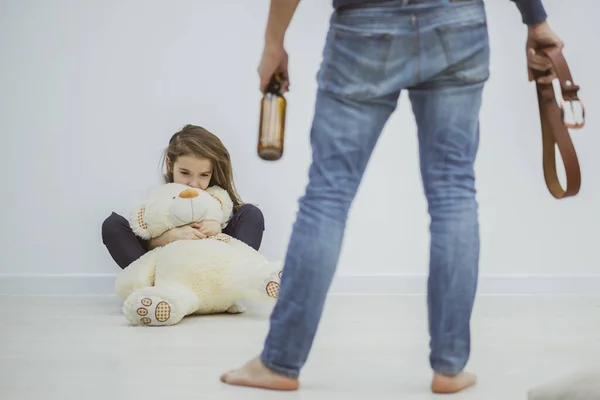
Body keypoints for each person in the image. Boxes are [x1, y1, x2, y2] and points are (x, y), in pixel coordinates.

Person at [221, 0, 564, 394]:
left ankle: (279, 362)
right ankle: (450, 367)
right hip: (456, 21)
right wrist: (536, 20)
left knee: (327, 196)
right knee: (453, 192)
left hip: (365, 24)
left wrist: (273, 42)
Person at [102, 124, 265, 270]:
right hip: (167, 269)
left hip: (213, 268)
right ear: (169, 164)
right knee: (112, 225)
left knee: (251, 213)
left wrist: (216, 229)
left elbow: (231, 231)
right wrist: (167, 237)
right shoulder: (157, 194)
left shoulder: (217, 198)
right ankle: (153, 289)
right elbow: (144, 235)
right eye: (185, 173)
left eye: (204, 175)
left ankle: (231, 282)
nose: (193, 184)